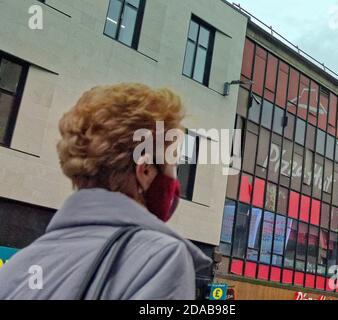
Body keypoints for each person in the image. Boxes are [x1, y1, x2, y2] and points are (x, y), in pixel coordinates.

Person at [0, 83, 212, 300]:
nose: (175, 180)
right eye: (173, 164)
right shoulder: (160, 259)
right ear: (145, 170)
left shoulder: (16, 267)